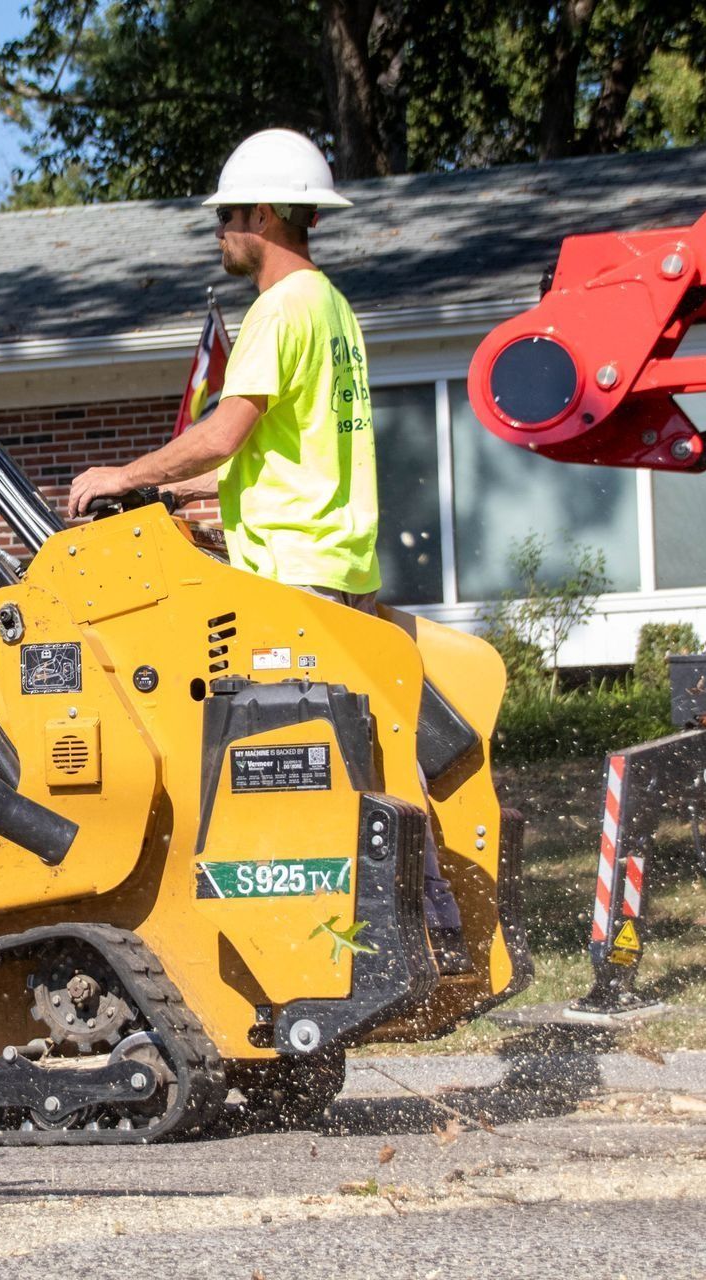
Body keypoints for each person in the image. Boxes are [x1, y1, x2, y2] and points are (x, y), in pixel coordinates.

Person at [65, 128, 468, 973]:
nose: (219, 232)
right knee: (364, 762)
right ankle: (425, 935)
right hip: (333, 564)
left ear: (263, 214)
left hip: (290, 579)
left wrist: (122, 471)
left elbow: (225, 431)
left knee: (279, 774)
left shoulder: (279, 310)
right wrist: (173, 497)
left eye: (227, 217)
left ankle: (342, 956)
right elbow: (288, 454)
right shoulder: (332, 308)